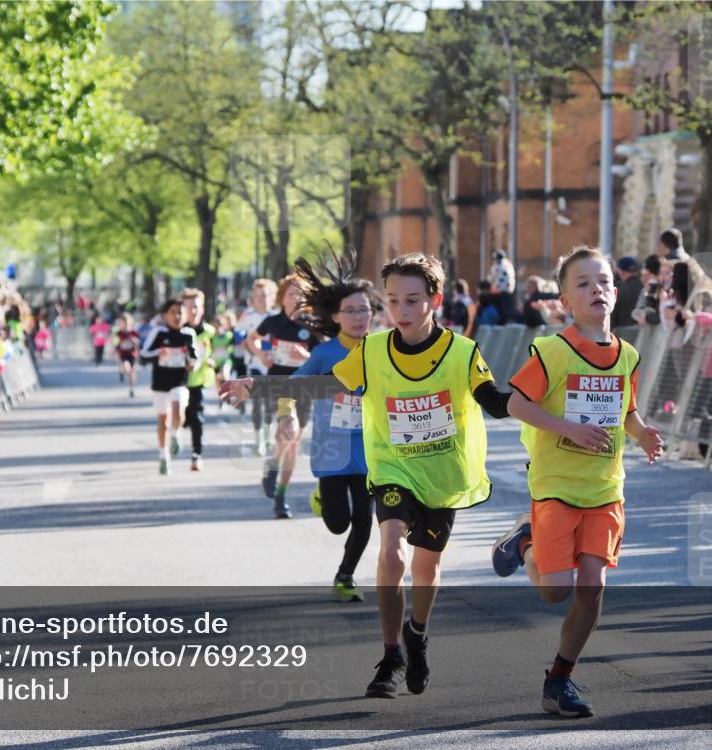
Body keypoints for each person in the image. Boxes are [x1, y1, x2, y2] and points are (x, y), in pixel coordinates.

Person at [222, 252, 512, 698]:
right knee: (392, 553)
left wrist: (546, 401)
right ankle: (391, 653)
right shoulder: (371, 351)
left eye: (412, 300)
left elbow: (494, 401)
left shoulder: (462, 351)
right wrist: (258, 386)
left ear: (434, 299)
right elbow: (322, 384)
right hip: (391, 467)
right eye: (393, 301)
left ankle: (417, 634)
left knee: (426, 567)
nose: (402, 311)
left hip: (440, 473)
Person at [493, 245, 664, 718]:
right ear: (566, 300)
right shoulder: (553, 351)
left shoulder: (627, 355)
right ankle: (524, 541)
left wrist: (643, 432)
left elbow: (625, 412)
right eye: (584, 283)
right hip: (555, 484)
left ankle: (559, 680)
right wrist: (568, 428)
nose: (598, 289)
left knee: (592, 586)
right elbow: (516, 404)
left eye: (604, 281)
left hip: (606, 487)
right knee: (555, 591)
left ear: (614, 291)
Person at [287, 253, 380, 601]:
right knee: (337, 522)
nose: (359, 317)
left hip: (370, 448)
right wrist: (289, 415)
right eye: (351, 311)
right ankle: (322, 497)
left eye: (364, 309)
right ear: (336, 316)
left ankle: (345, 575)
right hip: (333, 448)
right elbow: (294, 386)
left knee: (364, 519)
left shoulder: (383, 350)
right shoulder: (325, 355)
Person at [249, 274, 320, 518]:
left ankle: (280, 493)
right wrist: (260, 355)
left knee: (292, 445)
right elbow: (252, 339)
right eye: (292, 293)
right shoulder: (272, 322)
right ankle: (273, 468)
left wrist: (306, 358)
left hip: (303, 386)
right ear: (282, 297)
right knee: (287, 429)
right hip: (278, 383)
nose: (296, 297)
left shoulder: (312, 325)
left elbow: (320, 360)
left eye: (301, 293)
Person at [139, 299, 198, 476]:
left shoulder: (188, 334)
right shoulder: (158, 332)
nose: (177, 316)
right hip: (160, 383)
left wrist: (193, 364)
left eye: (180, 312)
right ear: (165, 315)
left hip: (179, 380)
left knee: (178, 409)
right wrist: (159, 353)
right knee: (163, 420)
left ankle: (176, 434)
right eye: (173, 312)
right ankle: (163, 456)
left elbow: (195, 356)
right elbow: (143, 354)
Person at [238, 279, 278, 455]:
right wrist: (250, 346)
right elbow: (238, 338)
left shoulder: (277, 316)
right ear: (253, 298)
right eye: (257, 296)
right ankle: (258, 439)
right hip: (254, 363)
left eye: (265, 295)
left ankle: (268, 435)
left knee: (269, 403)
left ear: (272, 297)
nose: (261, 299)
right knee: (256, 402)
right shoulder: (247, 316)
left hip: (272, 364)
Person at [182, 288, 216, 472]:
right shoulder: (178, 331)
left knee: (197, 417)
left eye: (195, 307)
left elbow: (220, 353)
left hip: (199, 379)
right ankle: (176, 437)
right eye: (188, 307)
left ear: (202, 308)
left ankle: (197, 453)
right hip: (179, 380)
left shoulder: (210, 331)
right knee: (182, 418)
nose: (192, 311)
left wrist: (213, 362)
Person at [610, 256, 643, 328]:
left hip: (621, 334)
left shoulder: (619, 291)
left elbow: (612, 319)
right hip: (641, 332)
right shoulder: (644, 287)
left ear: (621, 272)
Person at [113, 312, 140, 397]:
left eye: (127, 323)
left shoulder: (134, 333)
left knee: (132, 372)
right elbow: (114, 344)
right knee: (126, 367)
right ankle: (122, 371)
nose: (126, 325)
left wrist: (135, 343)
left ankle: (132, 389)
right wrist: (115, 349)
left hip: (132, 354)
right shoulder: (118, 334)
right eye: (123, 323)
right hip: (122, 354)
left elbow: (138, 346)